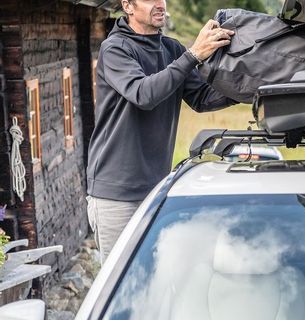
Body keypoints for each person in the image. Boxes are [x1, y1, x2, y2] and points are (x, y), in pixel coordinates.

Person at [86, 0, 236, 263]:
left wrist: (252, 90)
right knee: (123, 281)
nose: (160, 4)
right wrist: (193, 56)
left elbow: (202, 98)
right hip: (116, 194)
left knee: (156, 276)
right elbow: (144, 94)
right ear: (128, 6)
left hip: (157, 187)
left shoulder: (171, 48)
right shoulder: (115, 49)